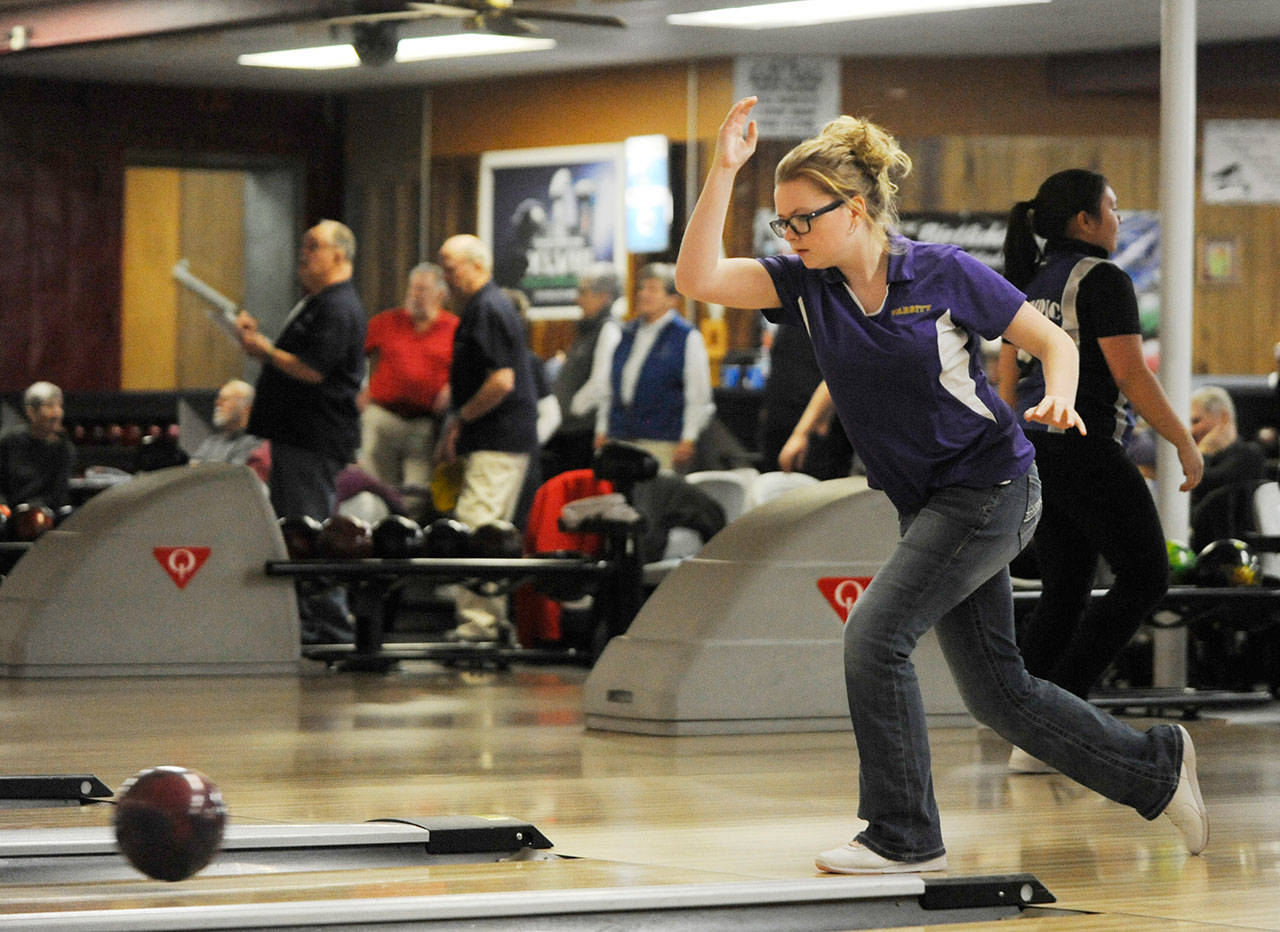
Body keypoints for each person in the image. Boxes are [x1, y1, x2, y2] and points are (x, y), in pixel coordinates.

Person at [674, 96, 1207, 874]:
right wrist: (723, 170)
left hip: (993, 484)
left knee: (875, 637)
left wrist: (1056, 390)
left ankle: (903, 833)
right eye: (782, 225)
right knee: (1001, 694)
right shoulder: (807, 286)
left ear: (854, 210)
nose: (790, 236)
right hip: (929, 501)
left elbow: (1053, 338)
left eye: (802, 220)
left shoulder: (941, 272)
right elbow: (699, 275)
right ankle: (1155, 769)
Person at [998, 171, 1204, 717]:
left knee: (1067, 585)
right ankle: (1063, 706)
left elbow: (1005, 382)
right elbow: (1132, 375)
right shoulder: (1103, 278)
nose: (1117, 219)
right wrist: (1184, 442)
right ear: (1084, 221)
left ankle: (1027, 713)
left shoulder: (1028, 280)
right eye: (1111, 209)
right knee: (1146, 576)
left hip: (1033, 450)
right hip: (1083, 445)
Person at [436, 234, 540, 643]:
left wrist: (460, 418)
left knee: (477, 527)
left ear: (478, 264)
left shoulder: (488, 308)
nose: (446, 277)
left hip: (499, 439)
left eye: (451, 267)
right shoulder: (483, 307)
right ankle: (489, 623)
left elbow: (501, 381)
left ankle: (478, 626)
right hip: (494, 438)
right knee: (487, 528)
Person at [236, 220, 366, 522]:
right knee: (288, 525)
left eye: (313, 246)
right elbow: (295, 360)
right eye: (303, 246)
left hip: (313, 438)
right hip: (296, 435)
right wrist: (261, 348)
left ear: (338, 255)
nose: (303, 254)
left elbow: (312, 369)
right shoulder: (318, 302)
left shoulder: (338, 307)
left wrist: (265, 350)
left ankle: (311, 573)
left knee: (306, 527)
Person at [360, 262, 458, 521]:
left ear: (440, 294)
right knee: (376, 487)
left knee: (416, 494)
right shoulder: (387, 321)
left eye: (422, 289)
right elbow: (353, 355)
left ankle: (404, 542)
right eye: (413, 289)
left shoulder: (454, 328)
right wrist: (360, 391)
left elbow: (468, 369)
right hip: (382, 417)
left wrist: (452, 388)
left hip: (424, 424)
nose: (415, 295)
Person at [594, 263, 714, 473]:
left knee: (655, 501)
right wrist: (602, 428)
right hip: (620, 437)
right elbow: (609, 388)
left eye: (652, 289)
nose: (643, 294)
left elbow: (698, 394)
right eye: (641, 288)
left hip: (662, 441)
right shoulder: (627, 332)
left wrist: (689, 437)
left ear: (672, 299)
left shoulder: (686, 337)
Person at [545, 263, 623, 474]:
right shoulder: (590, 330)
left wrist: (570, 409)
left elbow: (601, 383)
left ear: (605, 296)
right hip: (569, 432)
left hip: (582, 433)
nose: (578, 299)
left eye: (584, 292)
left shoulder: (608, 329)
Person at [0, 381, 74, 511]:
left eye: (59, 406)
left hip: (44, 514)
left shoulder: (63, 448)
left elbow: (56, 494)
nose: (57, 413)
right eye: (50, 406)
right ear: (31, 411)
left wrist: (31, 510)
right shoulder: (7, 441)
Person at [1189, 385, 1266, 509]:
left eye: (1196, 421)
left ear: (1224, 417)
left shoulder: (1250, 454)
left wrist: (1202, 453)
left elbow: (1199, 483)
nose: (1191, 430)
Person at [188, 379, 268, 481]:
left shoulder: (258, 443)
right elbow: (192, 472)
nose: (218, 403)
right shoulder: (211, 442)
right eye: (219, 399)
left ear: (246, 409)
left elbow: (232, 478)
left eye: (225, 399)